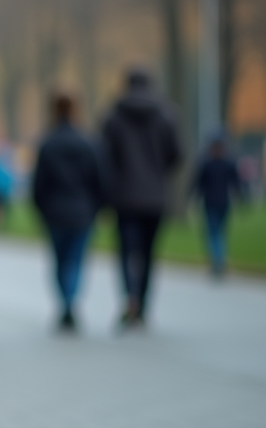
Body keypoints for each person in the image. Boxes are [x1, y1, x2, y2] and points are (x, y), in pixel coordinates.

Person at [101, 68, 181, 329]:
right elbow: (176, 155)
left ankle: (130, 297)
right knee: (148, 253)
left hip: (124, 196)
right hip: (154, 196)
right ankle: (143, 303)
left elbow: (104, 156)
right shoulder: (166, 115)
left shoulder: (114, 116)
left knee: (126, 251)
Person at [32, 93, 104, 333]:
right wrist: (97, 207)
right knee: (76, 259)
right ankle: (71, 301)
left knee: (60, 260)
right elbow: (98, 180)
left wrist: (41, 209)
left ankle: (65, 302)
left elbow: (39, 184)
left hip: (55, 211)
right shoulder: (88, 143)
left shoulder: (48, 144)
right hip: (82, 211)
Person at [191, 134, 244, 277]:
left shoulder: (207, 162)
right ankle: (219, 260)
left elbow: (197, 184)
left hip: (211, 203)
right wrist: (241, 198)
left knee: (213, 233)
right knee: (219, 233)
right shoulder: (227, 162)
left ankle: (217, 262)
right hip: (222, 202)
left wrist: (193, 198)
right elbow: (236, 184)